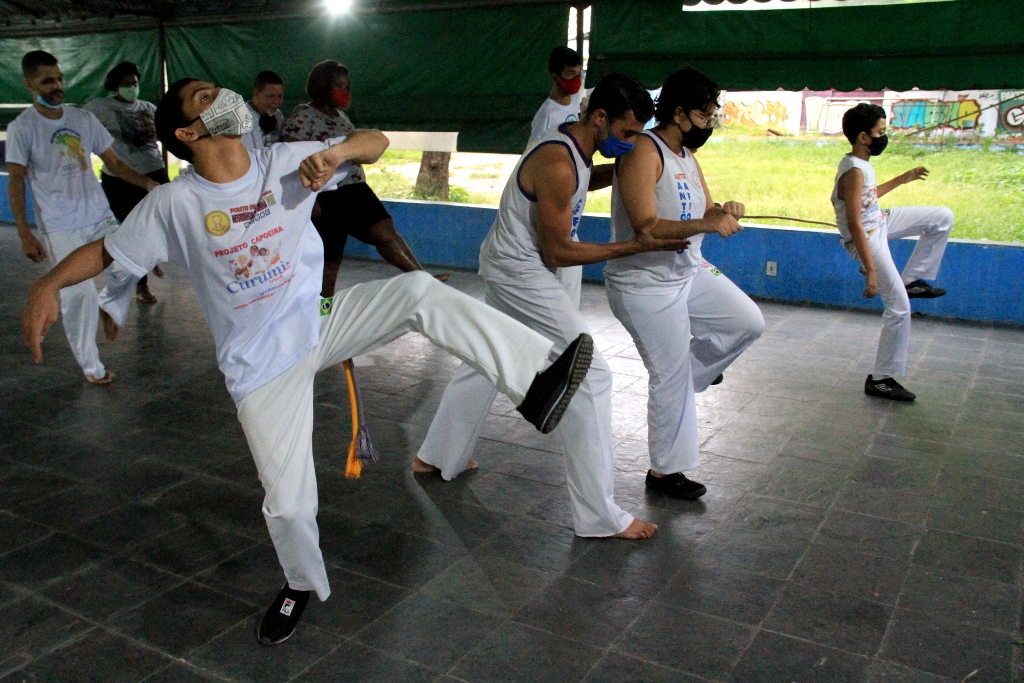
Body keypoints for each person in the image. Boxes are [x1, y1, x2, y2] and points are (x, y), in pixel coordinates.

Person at [22, 78, 596, 646]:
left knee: (419, 293)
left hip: (319, 323)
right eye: (203, 96)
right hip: (259, 366)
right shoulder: (174, 203)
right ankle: (300, 583)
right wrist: (48, 284)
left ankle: (535, 383)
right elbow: (106, 250)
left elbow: (377, 143)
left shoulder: (282, 161)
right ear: (188, 132)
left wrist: (338, 153)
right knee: (291, 506)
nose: (222, 96)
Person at [414, 74, 693, 541]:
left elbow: (590, 178)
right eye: (626, 134)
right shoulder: (558, 161)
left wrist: (627, 172)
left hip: (505, 262)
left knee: (486, 359)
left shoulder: (579, 148)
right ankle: (598, 514)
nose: (630, 144)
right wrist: (632, 246)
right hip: (520, 272)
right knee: (590, 375)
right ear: (599, 117)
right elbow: (557, 253)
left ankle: (438, 455)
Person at [605, 67, 765, 500]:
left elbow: (707, 208)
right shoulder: (643, 151)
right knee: (669, 376)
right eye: (704, 113)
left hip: (687, 269)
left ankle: (689, 374)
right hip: (644, 282)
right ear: (678, 112)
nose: (709, 122)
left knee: (747, 321)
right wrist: (706, 225)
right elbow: (646, 228)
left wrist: (724, 210)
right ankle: (665, 473)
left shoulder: (687, 156)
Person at [7, 50, 160, 384]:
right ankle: (92, 367)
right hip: (60, 225)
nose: (58, 85)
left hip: (97, 215)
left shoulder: (82, 120)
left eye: (60, 78)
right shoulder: (23, 128)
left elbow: (116, 165)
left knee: (130, 262)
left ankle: (111, 306)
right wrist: (24, 232)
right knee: (78, 295)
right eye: (48, 80)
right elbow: (16, 181)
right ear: (30, 83)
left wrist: (150, 183)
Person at [281, 60, 434, 296]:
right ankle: (323, 313)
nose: (345, 92)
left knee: (387, 235)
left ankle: (425, 282)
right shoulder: (303, 117)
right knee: (330, 259)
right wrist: (311, 202)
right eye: (338, 86)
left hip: (356, 190)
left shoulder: (342, 118)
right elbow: (289, 160)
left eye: (347, 86)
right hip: (326, 195)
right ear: (322, 87)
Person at [832, 103, 952, 402]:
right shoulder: (854, 171)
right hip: (868, 236)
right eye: (880, 132)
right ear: (863, 137)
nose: (884, 137)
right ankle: (882, 378)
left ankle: (913, 280)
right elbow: (854, 222)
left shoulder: (861, 165)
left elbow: (868, 199)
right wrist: (870, 269)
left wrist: (903, 178)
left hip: (881, 220)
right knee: (898, 307)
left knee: (941, 217)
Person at [84, 61, 169, 303]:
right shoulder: (99, 108)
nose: (132, 87)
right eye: (126, 84)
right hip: (121, 181)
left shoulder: (149, 108)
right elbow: (81, 128)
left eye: (134, 83)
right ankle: (141, 282)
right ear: (114, 86)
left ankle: (151, 258)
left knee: (157, 225)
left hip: (155, 174)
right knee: (134, 230)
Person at [528, 46, 584, 146]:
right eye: (571, 73)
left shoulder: (575, 100)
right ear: (555, 77)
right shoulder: (546, 115)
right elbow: (532, 155)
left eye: (579, 73)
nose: (577, 79)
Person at [242, 70, 286, 150]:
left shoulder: (278, 115)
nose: (276, 102)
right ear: (256, 93)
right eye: (271, 96)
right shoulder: (242, 119)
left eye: (280, 96)